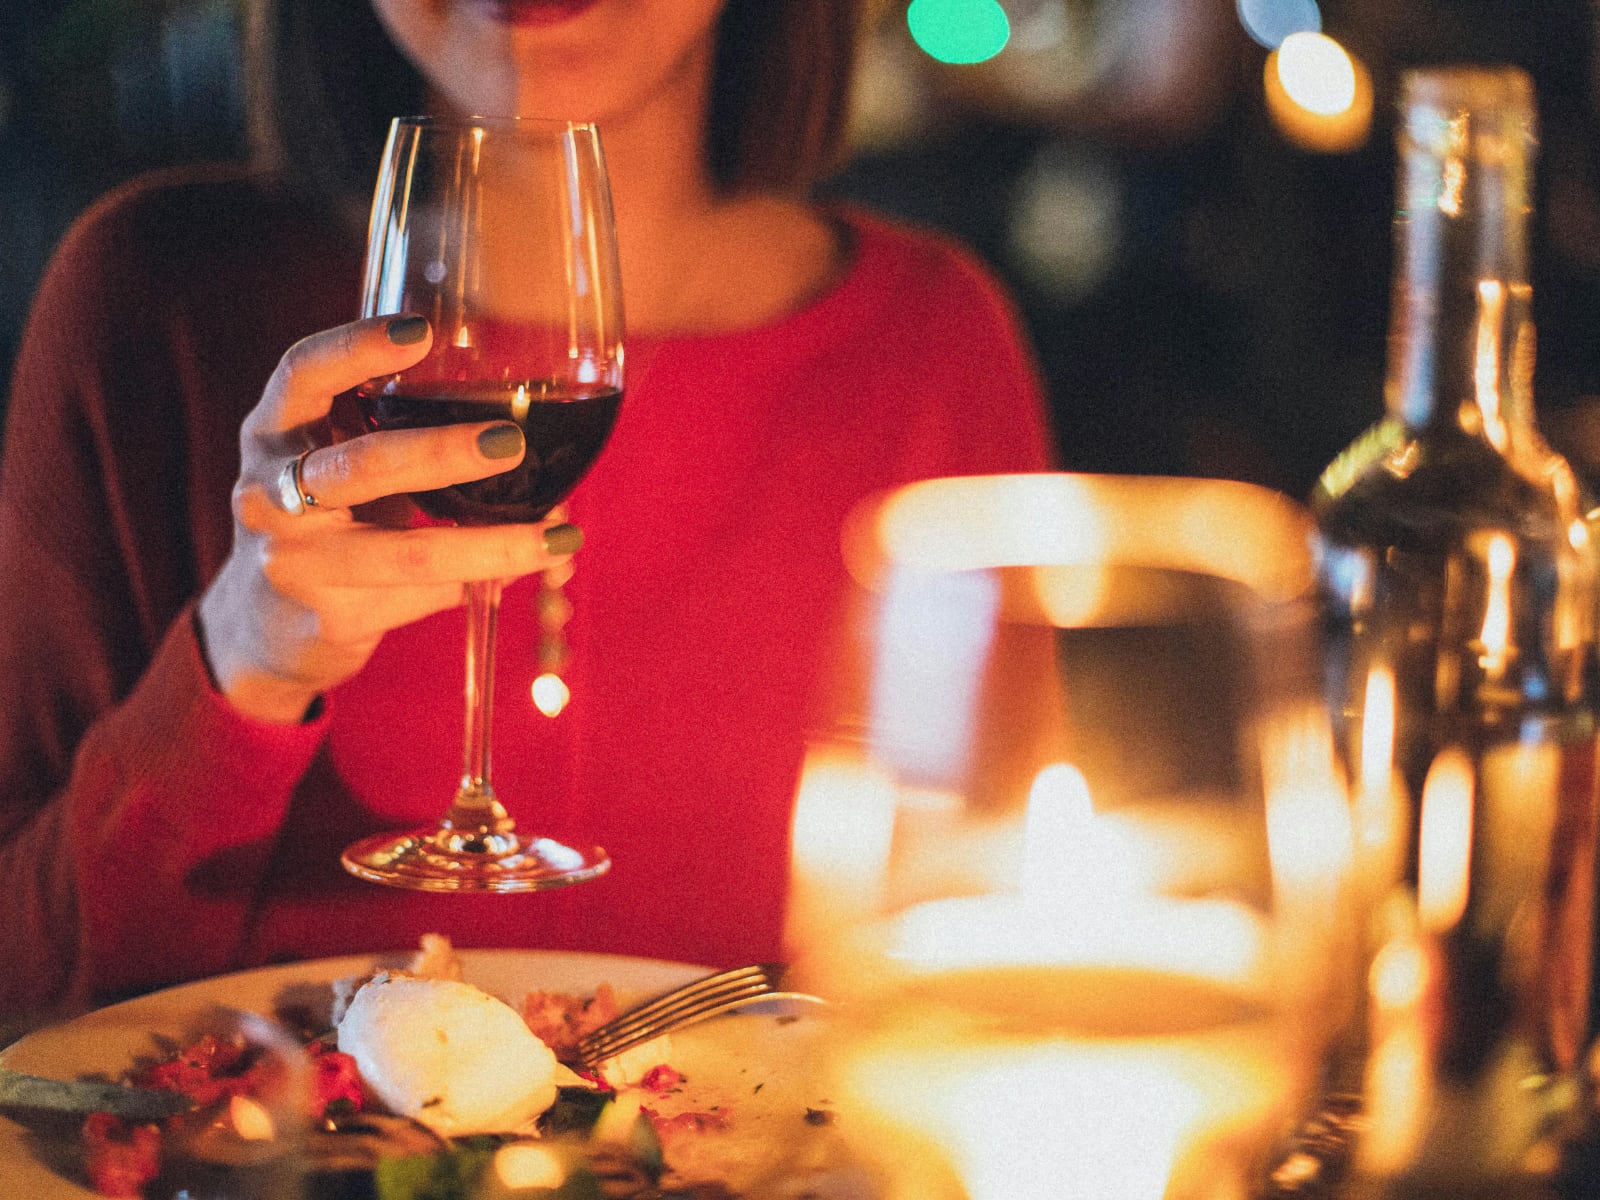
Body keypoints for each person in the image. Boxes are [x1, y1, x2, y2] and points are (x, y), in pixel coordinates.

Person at [0, 0, 1053, 1026]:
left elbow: (986, 983)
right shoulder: (148, 298)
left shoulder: (930, 348)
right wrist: (235, 672)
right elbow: (22, 994)